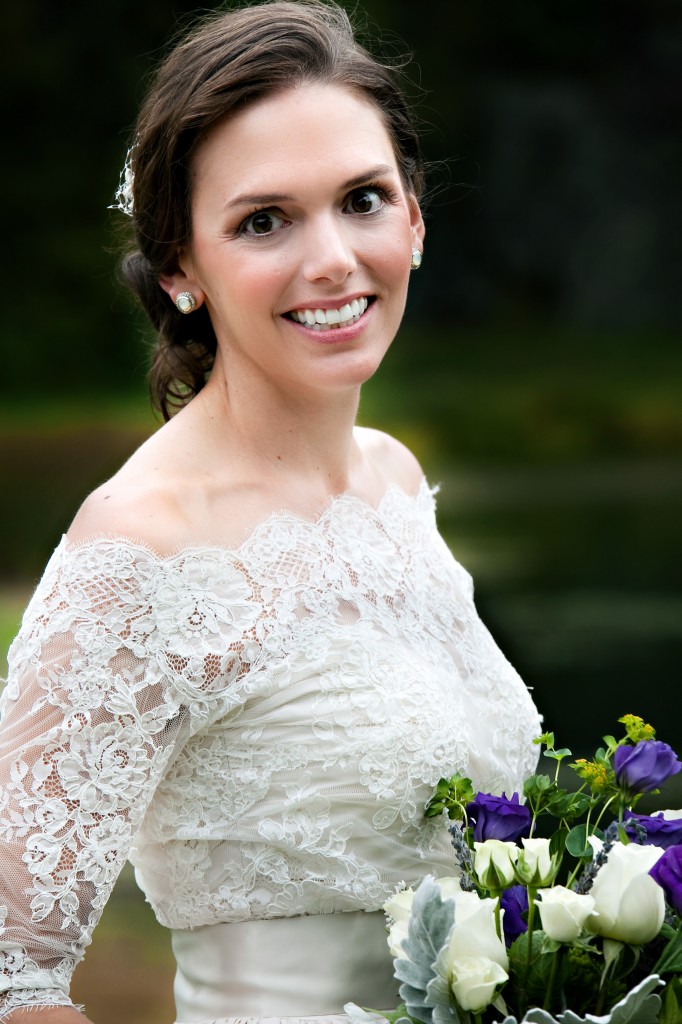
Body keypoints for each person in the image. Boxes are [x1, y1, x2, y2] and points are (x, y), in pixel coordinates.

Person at [0, 2, 542, 1021]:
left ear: (415, 219)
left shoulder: (389, 480)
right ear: (179, 269)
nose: (332, 259)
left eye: (363, 199)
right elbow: (7, 966)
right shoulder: (142, 547)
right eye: (263, 221)